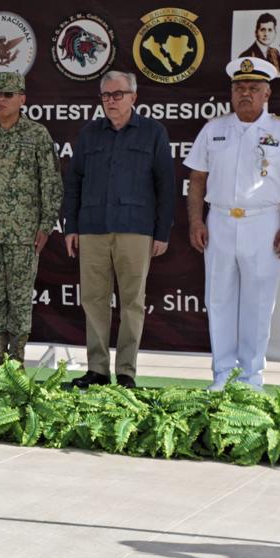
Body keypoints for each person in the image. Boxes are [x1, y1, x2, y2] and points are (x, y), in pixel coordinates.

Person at [186, 58, 280, 390]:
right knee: (219, 300)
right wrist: (196, 220)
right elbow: (197, 179)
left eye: (254, 88)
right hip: (221, 222)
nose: (245, 94)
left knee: (257, 304)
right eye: (239, 88)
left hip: (264, 223)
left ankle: (251, 378)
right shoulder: (214, 130)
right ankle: (222, 375)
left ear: (267, 93)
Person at [63, 70, 175, 389]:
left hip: (136, 229)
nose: (111, 101)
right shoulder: (89, 134)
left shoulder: (153, 132)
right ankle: (97, 369)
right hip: (93, 227)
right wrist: (71, 226)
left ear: (133, 97)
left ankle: (126, 371)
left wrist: (162, 231)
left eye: (118, 94)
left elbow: (166, 185)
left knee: (132, 302)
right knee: (94, 299)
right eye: (106, 96)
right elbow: (74, 182)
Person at [0, 71, 62, 373]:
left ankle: (16, 359)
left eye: (8, 94)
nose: (1, 100)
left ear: (22, 98)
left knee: (18, 298)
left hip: (23, 233)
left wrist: (45, 225)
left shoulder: (37, 135)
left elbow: (51, 183)